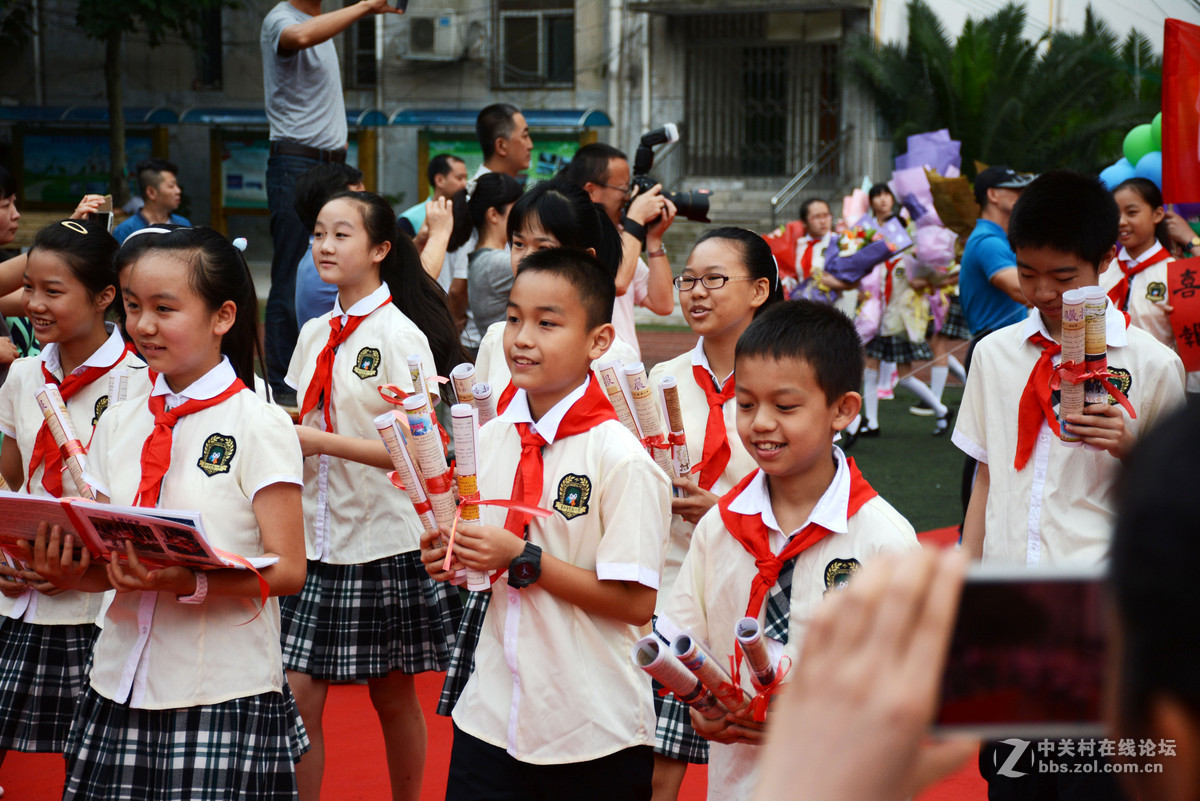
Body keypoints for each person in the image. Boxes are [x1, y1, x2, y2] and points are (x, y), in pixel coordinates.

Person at [24, 226, 309, 800]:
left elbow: (288, 571)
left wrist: (186, 579)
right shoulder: (122, 420)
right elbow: (108, 557)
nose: (143, 326)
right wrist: (65, 572)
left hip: (217, 689)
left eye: (164, 308)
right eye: (132, 307)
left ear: (222, 316)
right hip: (117, 677)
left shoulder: (260, 424)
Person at [955, 170, 1186, 800]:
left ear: (1107, 260)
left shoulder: (1149, 364)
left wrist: (1130, 444)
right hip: (1009, 612)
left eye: (1064, 278)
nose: (1043, 294)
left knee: (1097, 786)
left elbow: (1172, 507)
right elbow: (985, 480)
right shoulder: (996, 355)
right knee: (1012, 784)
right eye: (1029, 275)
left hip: (1100, 618)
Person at [420, 246, 670, 801]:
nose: (522, 338)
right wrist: (453, 559)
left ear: (599, 341)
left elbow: (635, 604)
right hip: (490, 713)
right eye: (513, 319)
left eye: (547, 323)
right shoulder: (488, 439)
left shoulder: (621, 460)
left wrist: (521, 559)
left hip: (589, 727)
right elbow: (482, 563)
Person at [657, 299, 919, 801]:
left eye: (786, 406)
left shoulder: (882, 538)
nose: (759, 424)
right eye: (747, 403)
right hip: (740, 784)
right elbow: (688, 641)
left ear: (842, 409)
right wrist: (702, 708)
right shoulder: (720, 527)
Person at [282, 191, 462, 801]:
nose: (324, 247)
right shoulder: (315, 332)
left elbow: (422, 451)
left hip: (379, 538)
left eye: (341, 235)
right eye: (317, 234)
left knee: (391, 691)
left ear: (381, 250)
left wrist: (318, 441)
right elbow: (301, 412)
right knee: (298, 688)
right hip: (313, 532)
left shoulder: (398, 335)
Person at [0, 220, 148, 776]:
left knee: (89, 762)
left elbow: (135, 504)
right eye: (29, 288)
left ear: (105, 295)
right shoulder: (24, 375)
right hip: (19, 596)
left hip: (93, 607)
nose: (34, 304)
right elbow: (13, 482)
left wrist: (79, 567)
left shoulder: (138, 382)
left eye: (52, 291)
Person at [646, 227, 783, 800]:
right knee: (659, 758)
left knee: (759, 755)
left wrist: (722, 512)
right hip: (672, 585)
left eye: (714, 280)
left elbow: (808, 487)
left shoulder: (785, 377)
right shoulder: (663, 379)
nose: (696, 293)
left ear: (759, 290)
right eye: (688, 281)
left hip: (758, 588)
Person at [260, 0, 402, 404]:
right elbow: (300, 37)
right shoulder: (282, 19)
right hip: (297, 163)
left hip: (326, 164)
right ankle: (285, 387)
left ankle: (325, 369)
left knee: (333, 261)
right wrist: (363, 8)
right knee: (289, 273)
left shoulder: (318, 21)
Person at [473, 179, 639, 389]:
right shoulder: (496, 340)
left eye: (544, 248)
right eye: (518, 244)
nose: (526, 258)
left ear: (586, 258)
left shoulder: (614, 357)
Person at [563, 142, 676, 357]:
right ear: (591, 190)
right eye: (624, 189)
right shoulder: (570, 236)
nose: (628, 197)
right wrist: (636, 221)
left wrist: (653, 240)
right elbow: (616, 284)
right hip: (594, 368)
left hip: (626, 369)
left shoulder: (622, 236)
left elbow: (662, 304)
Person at [443, 104, 534, 359]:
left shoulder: (497, 194)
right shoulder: (479, 198)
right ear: (502, 145)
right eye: (525, 135)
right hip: (478, 343)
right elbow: (458, 287)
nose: (531, 145)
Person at [1097, 179, 1200, 392]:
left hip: (1158, 384)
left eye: (1131, 212)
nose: (1121, 222)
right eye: (1116, 215)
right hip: (1103, 382)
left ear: (1158, 215)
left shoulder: (1178, 274)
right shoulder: (1101, 270)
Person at [959, 166, 1035, 337]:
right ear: (992, 195)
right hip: (992, 345)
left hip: (998, 342)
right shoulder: (988, 242)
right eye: (1015, 190)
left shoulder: (996, 237)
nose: (1022, 195)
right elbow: (1020, 290)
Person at [291, 162, 365, 331]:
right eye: (360, 198)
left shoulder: (316, 253)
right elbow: (408, 293)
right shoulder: (332, 259)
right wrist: (438, 236)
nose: (370, 208)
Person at [465, 172, 523, 332]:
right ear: (493, 215)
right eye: (516, 209)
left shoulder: (482, 258)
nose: (522, 216)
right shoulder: (496, 263)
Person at [111, 159, 190, 244]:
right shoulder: (126, 230)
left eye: (176, 185)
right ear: (151, 192)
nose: (178, 191)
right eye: (171, 186)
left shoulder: (183, 224)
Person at [396, 154, 468, 238]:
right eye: (459, 178)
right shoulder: (410, 219)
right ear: (439, 180)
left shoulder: (468, 213)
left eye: (465, 178)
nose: (464, 184)